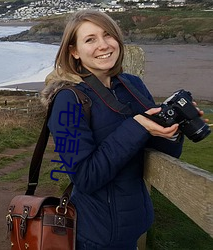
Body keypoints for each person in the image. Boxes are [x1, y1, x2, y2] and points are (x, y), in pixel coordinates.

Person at [41, 10, 203, 250]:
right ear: (74, 51)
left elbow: (160, 152)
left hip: (134, 227)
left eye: (108, 35)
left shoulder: (132, 85)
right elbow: (85, 177)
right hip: (95, 236)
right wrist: (137, 126)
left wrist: (175, 126)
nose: (103, 45)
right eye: (90, 39)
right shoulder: (67, 101)